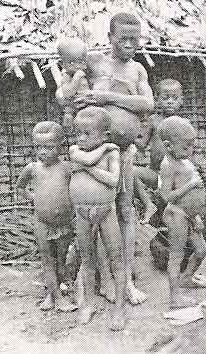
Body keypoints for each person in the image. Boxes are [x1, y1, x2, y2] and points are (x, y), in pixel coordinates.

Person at [73, 12, 154, 305]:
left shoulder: (138, 71)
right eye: (124, 39)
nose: (130, 45)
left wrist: (107, 97)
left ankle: (126, 279)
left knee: (125, 211)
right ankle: (98, 279)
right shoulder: (94, 63)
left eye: (136, 40)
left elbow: (148, 104)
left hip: (123, 152)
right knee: (95, 211)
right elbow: (72, 89)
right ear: (109, 38)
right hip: (93, 154)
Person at [68, 106, 126, 330]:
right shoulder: (76, 151)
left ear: (105, 136)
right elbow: (89, 159)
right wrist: (95, 160)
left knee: (116, 259)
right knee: (87, 259)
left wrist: (88, 170)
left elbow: (113, 181)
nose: (80, 138)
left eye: (87, 134)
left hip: (106, 210)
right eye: (78, 133)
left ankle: (119, 308)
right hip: (82, 212)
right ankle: (89, 304)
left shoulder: (113, 153)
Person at [15, 121, 76, 312]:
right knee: (47, 260)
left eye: (49, 147)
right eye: (39, 147)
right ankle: (58, 298)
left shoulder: (67, 168)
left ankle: (51, 293)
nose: (43, 152)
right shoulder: (32, 169)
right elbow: (20, 187)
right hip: (42, 223)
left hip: (64, 223)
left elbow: (76, 189)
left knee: (61, 259)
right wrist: (35, 199)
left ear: (60, 145)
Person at [158, 117, 206, 307]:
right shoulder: (167, 166)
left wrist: (195, 215)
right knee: (176, 255)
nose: (191, 151)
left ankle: (187, 278)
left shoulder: (184, 160)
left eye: (192, 146)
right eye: (186, 147)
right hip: (177, 214)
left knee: (201, 250)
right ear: (169, 146)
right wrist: (191, 185)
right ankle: (174, 298)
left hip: (190, 214)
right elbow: (167, 196)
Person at [133, 78, 184, 224]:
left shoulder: (183, 124)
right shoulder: (153, 120)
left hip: (175, 177)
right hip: (155, 173)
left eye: (174, 98)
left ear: (181, 100)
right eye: (165, 98)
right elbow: (141, 144)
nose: (169, 101)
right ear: (157, 99)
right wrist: (130, 133)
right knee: (131, 171)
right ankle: (148, 204)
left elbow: (187, 153)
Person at [56, 37, 91, 129]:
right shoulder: (66, 76)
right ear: (62, 64)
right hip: (72, 108)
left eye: (81, 61)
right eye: (71, 63)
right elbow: (67, 93)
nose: (77, 66)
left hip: (84, 105)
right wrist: (76, 78)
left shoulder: (83, 71)